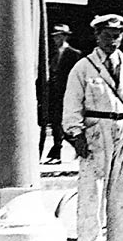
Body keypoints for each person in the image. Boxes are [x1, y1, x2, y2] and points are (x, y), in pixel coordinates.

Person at [62, 14, 123, 241]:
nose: (113, 40)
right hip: (96, 132)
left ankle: (122, 238)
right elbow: (72, 105)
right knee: (92, 192)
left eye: (117, 36)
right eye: (108, 35)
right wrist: (75, 134)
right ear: (97, 35)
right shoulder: (83, 68)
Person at [41, 24, 83, 164]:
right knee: (55, 122)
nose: (55, 39)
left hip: (66, 93)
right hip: (53, 93)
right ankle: (61, 150)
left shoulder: (73, 53)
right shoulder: (51, 53)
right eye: (54, 36)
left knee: (60, 123)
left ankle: (59, 150)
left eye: (59, 36)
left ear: (65, 36)